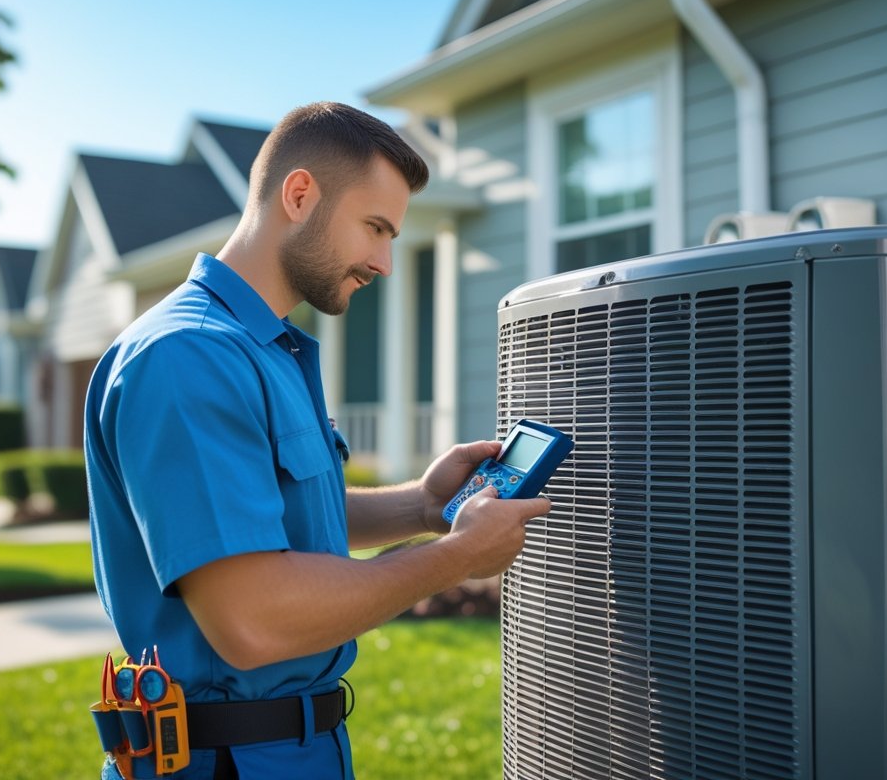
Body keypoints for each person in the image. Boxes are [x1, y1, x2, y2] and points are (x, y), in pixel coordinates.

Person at [84, 101, 551, 779]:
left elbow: (276, 518)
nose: (386, 262)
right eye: (375, 228)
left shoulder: (261, 348)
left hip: (291, 750)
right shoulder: (188, 357)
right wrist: (454, 555)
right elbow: (254, 619)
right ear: (300, 195)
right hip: (225, 761)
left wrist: (421, 504)